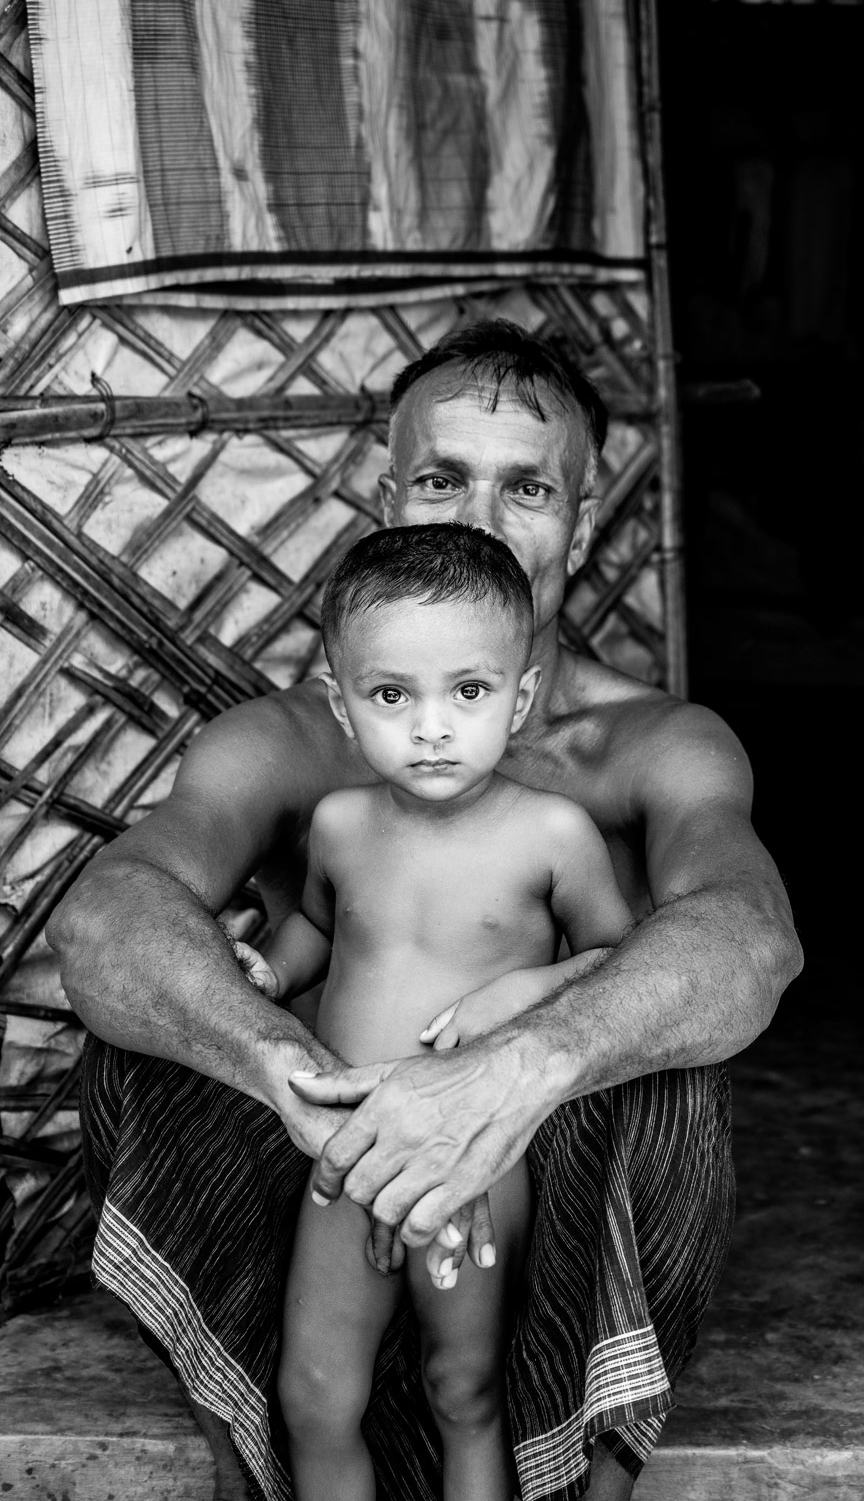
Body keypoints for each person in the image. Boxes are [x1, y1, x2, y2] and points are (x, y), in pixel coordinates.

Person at [49, 318, 803, 1501]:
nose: (478, 521)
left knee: (672, 1070)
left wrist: (513, 1069)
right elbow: (105, 925)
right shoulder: (293, 743)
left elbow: (749, 941)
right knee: (145, 1034)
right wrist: (291, 1071)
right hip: (317, 1176)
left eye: (529, 488)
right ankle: (251, 1463)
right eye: (444, 477)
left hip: (528, 1200)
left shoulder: (646, 745)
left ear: (584, 523)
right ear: (386, 493)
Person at [238, 521, 632, 1501]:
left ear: (520, 696)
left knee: (463, 1387)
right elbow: (322, 936)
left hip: (471, 1167)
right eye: (389, 694)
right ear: (340, 702)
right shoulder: (338, 827)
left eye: (467, 691)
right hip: (344, 1155)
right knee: (316, 1391)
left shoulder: (550, 834)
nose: (430, 726)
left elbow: (621, 955)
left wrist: (516, 990)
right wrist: (263, 971)